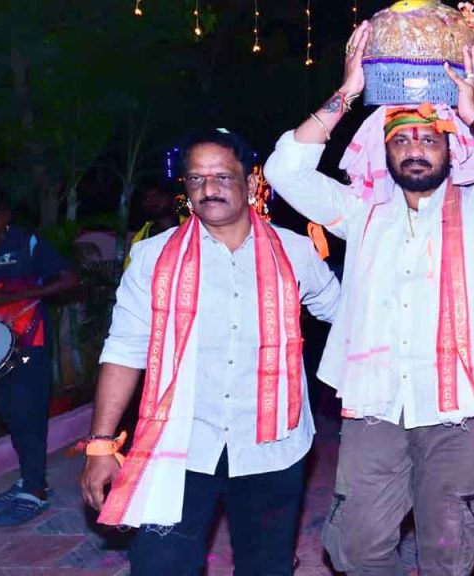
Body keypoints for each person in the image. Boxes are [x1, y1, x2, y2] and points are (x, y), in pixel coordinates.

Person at [262, 22, 474, 575]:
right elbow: (285, 171)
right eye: (402, 139)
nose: (416, 149)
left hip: (459, 410)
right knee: (354, 546)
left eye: (429, 138)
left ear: (452, 149)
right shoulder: (360, 212)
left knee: (450, 550)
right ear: (384, 153)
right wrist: (346, 92)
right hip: (374, 405)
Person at [79, 129, 340, 575]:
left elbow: (343, 312)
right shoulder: (152, 257)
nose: (209, 189)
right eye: (197, 180)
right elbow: (124, 348)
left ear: (252, 185)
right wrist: (100, 443)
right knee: (160, 564)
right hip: (180, 442)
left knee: (266, 566)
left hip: (272, 446)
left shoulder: (295, 252)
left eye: (222, 176)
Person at [0, 198, 79, 526]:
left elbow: (69, 280)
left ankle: (35, 494)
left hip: (29, 346)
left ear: (5, 213)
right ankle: (30, 480)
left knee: (28, 415)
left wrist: (11, 298)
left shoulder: (26, 242)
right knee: (12, 415)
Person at [124, 178, 182, 269]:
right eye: (147, 198)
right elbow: (130, 271)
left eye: (157, 196)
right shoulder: (140, 238)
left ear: (173, 199)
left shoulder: (195, 228)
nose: (151, 201)